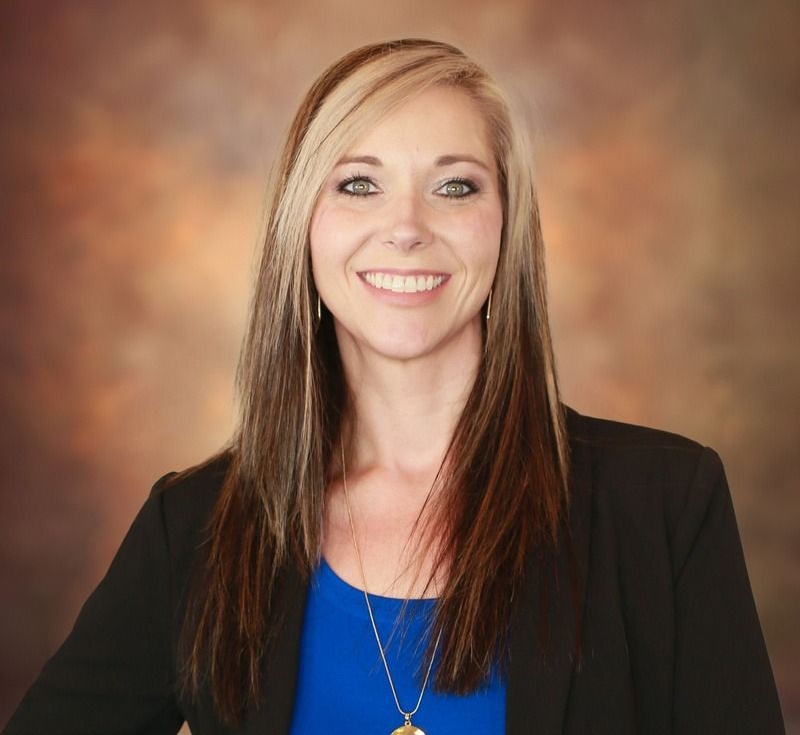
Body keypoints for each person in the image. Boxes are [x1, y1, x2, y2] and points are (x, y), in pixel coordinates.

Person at [3, 39, 785, 735]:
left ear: (507, 228)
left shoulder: (663, 504)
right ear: (300, 228)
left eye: (455, 187)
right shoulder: (196, 528)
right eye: (357, 185)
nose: (406, 225)